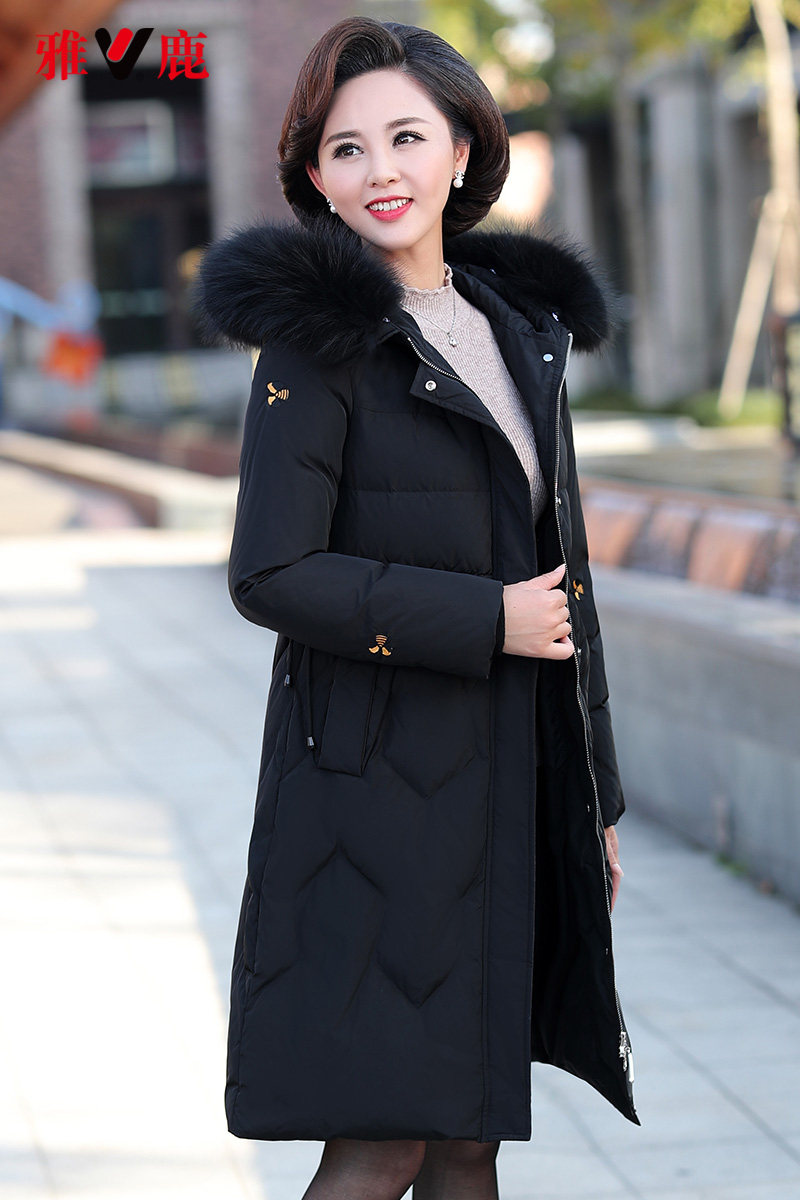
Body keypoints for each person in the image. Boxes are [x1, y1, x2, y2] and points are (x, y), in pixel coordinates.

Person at [195, 15, 639, 1199]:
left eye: (404, 136)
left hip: (509, 774)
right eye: (344, 149)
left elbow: (565, 579)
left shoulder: (516, 331)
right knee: (382, 1140)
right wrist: (484, 619)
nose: (378, 170)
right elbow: (268, 573)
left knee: (465, 1138)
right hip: (372, 794)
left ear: (461, 148)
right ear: (313, 176)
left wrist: (593, 795)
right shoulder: (316, 343)